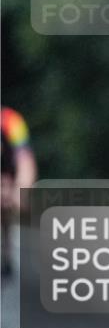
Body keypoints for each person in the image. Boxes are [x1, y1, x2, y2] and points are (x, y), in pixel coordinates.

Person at [1, 106, 37, 278]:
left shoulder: (10, 120)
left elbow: (24, 157)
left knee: (14, 202)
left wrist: (21, 188)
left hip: (11, 171)